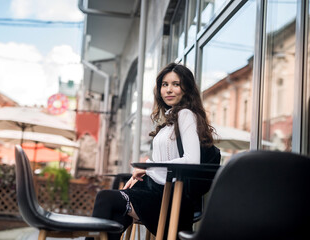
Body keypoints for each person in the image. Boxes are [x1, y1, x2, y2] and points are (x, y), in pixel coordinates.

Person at [85, 63, 218, 240]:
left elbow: (192, 160)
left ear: (186, 88)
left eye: (175, 84)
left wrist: (147, 167)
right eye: (164, 84)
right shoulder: (170, 121)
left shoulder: (185, 115)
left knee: (107, 199)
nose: (169, 90)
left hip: (170, 198)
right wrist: (142, 173)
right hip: (153, 190)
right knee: (113, 211)